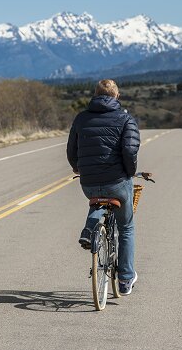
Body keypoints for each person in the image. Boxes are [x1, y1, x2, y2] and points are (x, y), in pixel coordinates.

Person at [66, 79, 140, 295]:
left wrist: (78, 168)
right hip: (117, 182)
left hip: (88, 182)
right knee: (126, 227)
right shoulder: (126, 119)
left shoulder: (81, 118)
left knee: (98, 196)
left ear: (95, 95)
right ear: (116, 96)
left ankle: (89, 230)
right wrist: (129, 172)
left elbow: (72, 150)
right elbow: (130, 151)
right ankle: (126, 279)